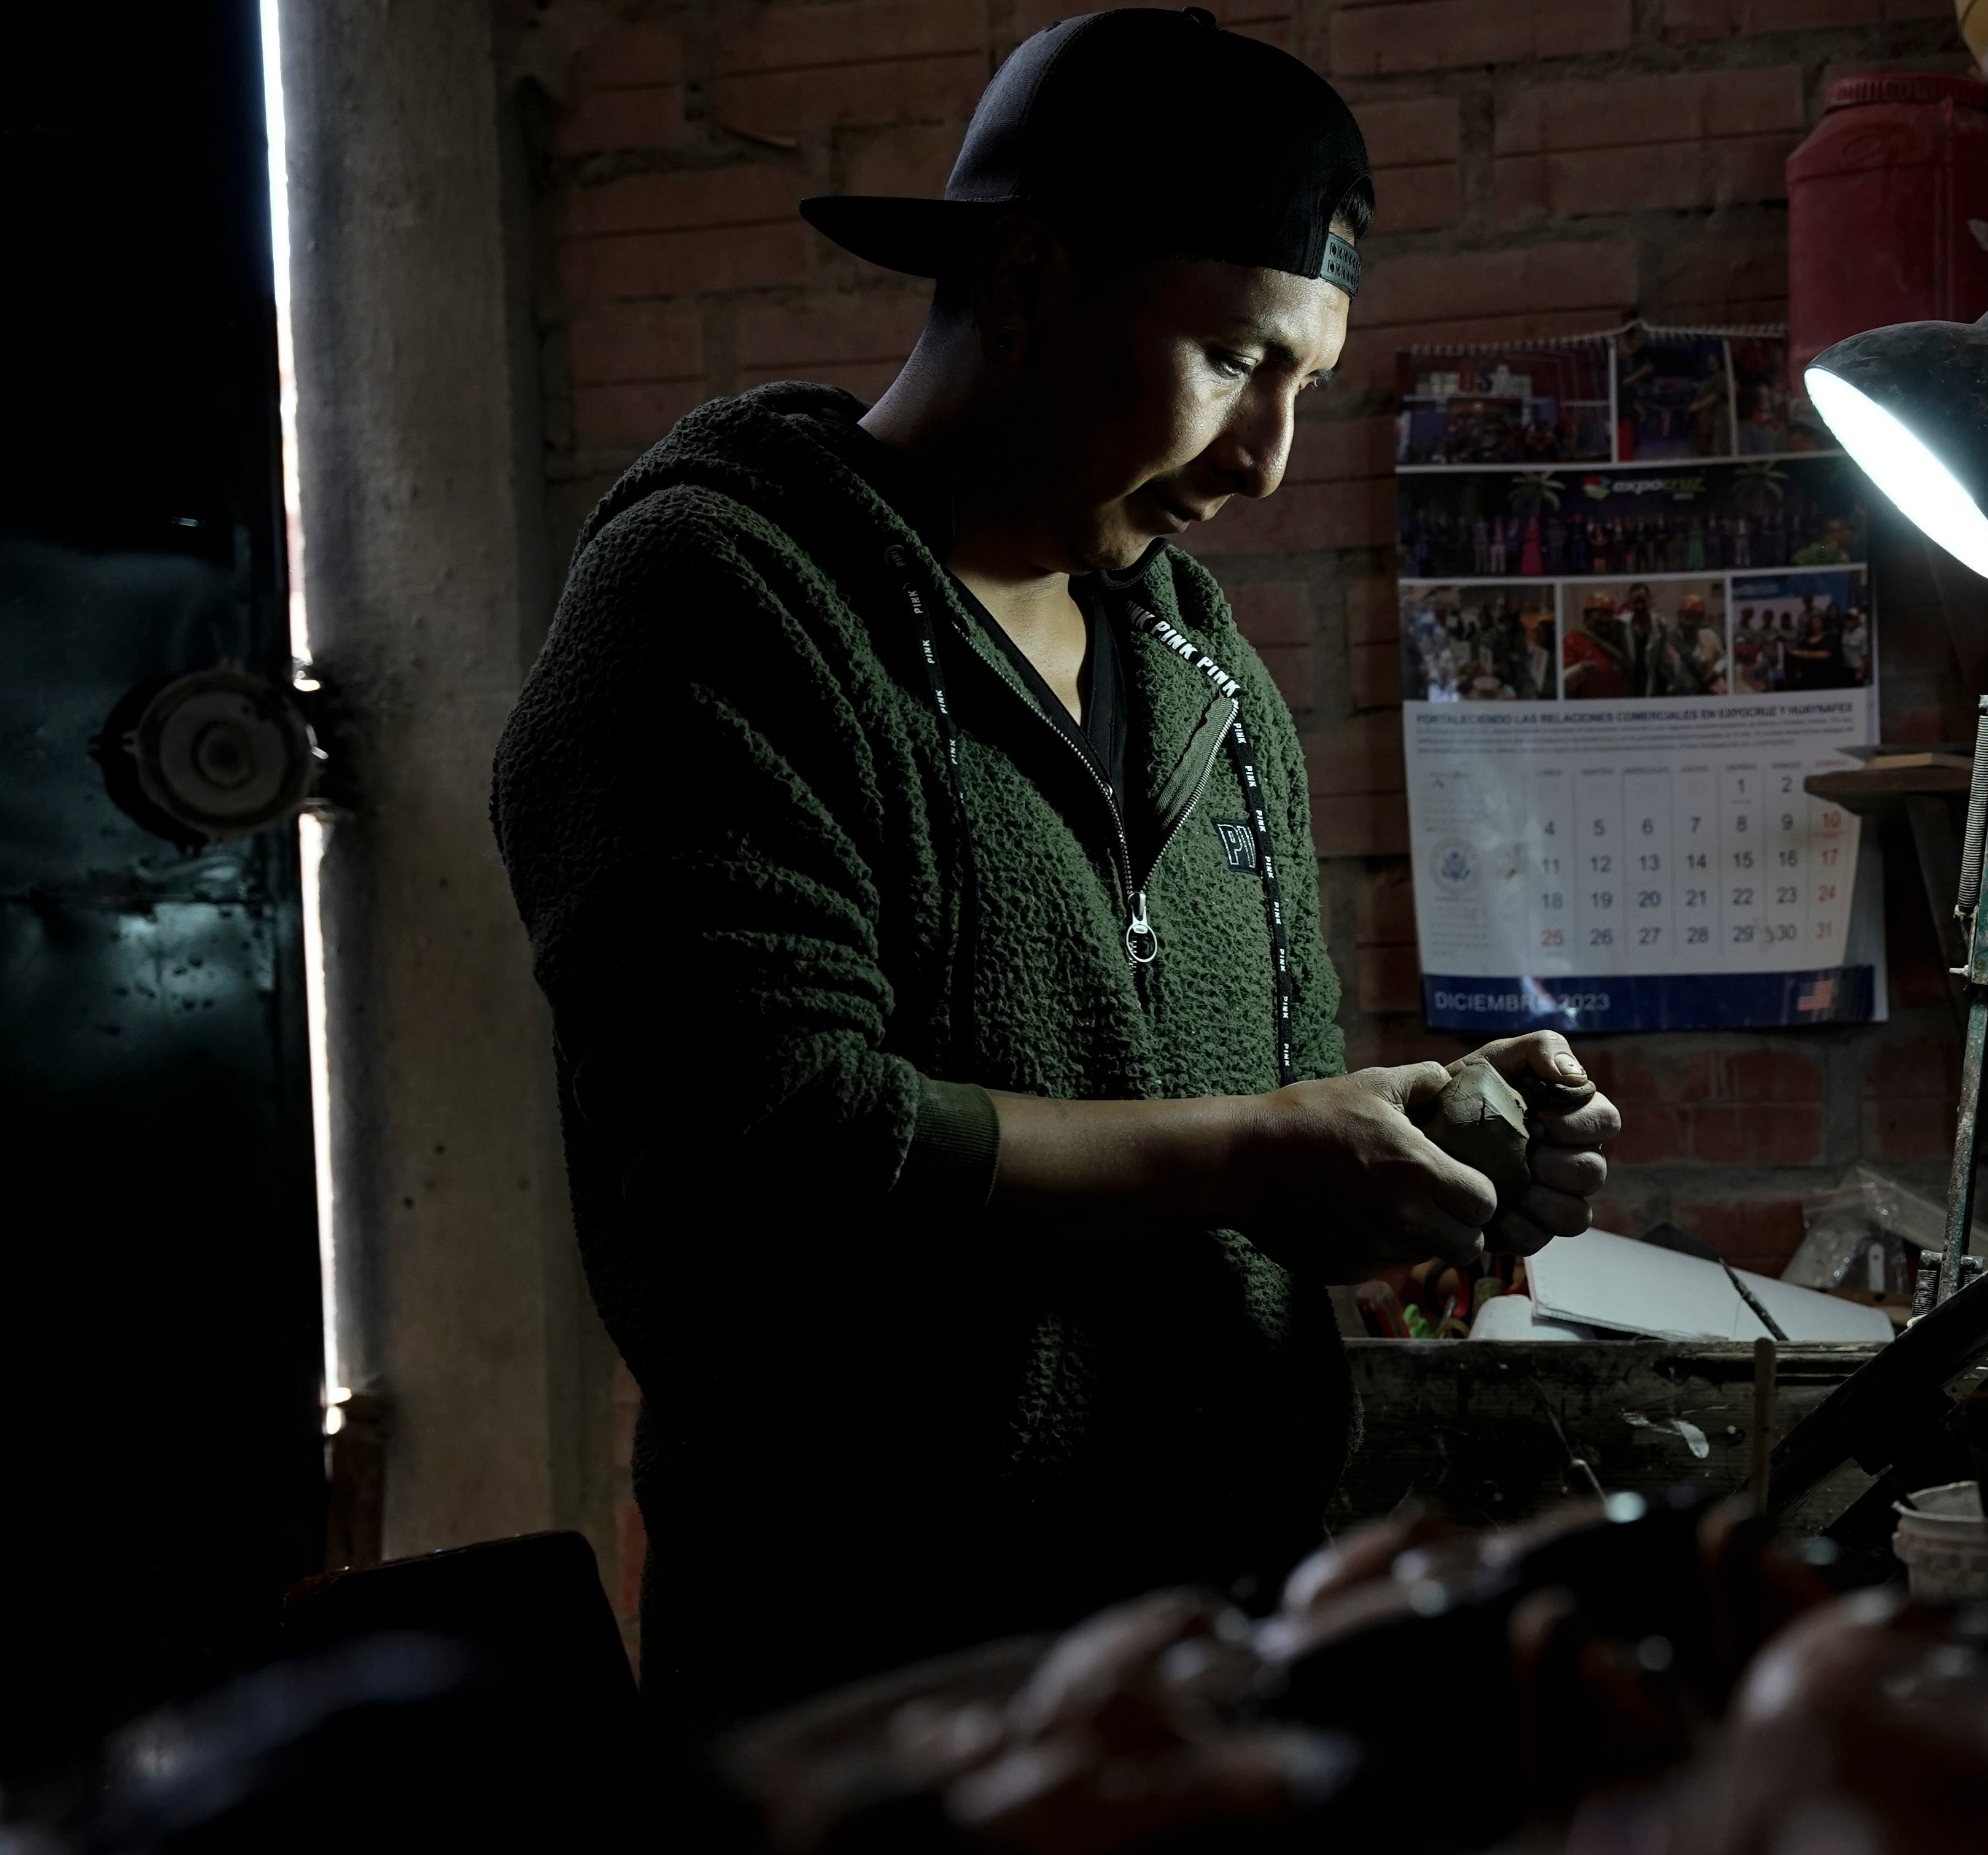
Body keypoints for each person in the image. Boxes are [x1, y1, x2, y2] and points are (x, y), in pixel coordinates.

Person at [489, 9, 1623, 1727]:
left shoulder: (1201, 671)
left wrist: (1412, 1168)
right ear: (1024, 283)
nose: (1267, 458)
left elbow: (1239, 1151)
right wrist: (1260, 1152)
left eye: (1304, 385)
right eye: (1234, 361)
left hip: (1222, 1655)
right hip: (881, 1691)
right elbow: (773, 1146)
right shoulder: (722, 605)